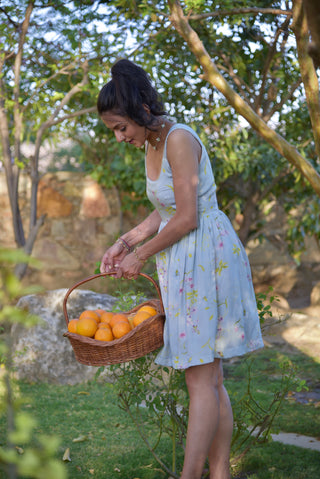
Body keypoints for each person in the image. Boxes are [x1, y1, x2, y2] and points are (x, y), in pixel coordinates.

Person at [97, 58, 264, 479]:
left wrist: (142, 256)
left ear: (140, 110)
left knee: (199, 380)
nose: (120, 137)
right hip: (186, 261)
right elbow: (162, 211)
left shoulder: (178, 139)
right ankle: (220, 473)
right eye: (114, 130)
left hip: (207, 258)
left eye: (121, 127)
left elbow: (188, 216)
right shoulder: (152, 144)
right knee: (209, 379)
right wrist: (125, 242)